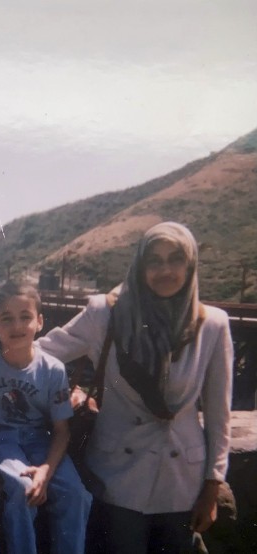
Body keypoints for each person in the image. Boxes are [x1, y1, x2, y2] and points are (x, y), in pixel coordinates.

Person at [37, 221, 233, 553]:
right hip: (117, 477)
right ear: (140, 266)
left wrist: (213, 485)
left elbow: (219, 414)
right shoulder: (106, 313)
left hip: (181, 482)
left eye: (176, 259)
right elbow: (40, 352)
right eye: (153, 261)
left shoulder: (212, 324)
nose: (165, 270)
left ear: (191, 264)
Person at [0, 282, 92, 554]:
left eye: (25, 317)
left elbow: (61, 429)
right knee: (21, 487)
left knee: (75, 494)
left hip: (39, 439)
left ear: (39, 322)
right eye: (7, 318)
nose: (17, 326)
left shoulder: (52, 369)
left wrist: (46, 471)